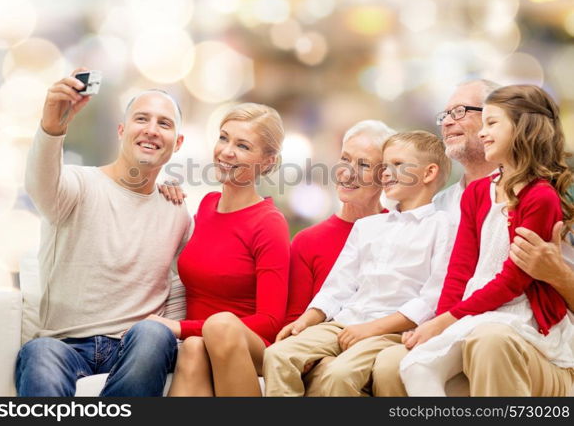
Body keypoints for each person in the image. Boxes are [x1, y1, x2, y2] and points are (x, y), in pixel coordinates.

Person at [374, 80, 574, 397]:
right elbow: (459, 271)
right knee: (396, 365)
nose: (448, 120)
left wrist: (559, 274)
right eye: (445, 113)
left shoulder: (550, 196)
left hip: (516, 321)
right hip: (467, 314)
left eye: (462, 111)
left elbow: (513, 280)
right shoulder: (452, 201)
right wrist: (439, 323)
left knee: (489, 342)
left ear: (521, 128)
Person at [16, 70, 192, 396]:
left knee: (155, 335)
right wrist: (53, 126)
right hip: (63, 345)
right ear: (122, 131)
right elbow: (40, 185)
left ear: (177, 143)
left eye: (164, 124)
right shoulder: (78, 185)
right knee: (39, 354)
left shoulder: (176, 210)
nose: (152, 130)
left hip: (135, 347)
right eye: (142, 119)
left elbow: (179, 288)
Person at [262, 131, 454, 396]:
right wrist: (307, 319)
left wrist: (370, 329)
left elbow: (431, 299)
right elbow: (338, 286)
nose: (386, 173)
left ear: (429, 173)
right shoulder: (367, 227)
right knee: (277, 356)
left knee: (339, 375)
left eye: (397, 165)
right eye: (384, 166)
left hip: (390, 331)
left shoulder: (444, 227)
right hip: (344, 322)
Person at [153, 103, 290, 396]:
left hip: (244, 343)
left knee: (217, 328)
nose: (226, 151)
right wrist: (158, 191)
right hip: (197, 343)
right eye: (224, 138)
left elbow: (269, 322)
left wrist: (180, 328)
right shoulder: (206, 205)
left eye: (242, 145)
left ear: (267, 162)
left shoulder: (269, 222)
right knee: (193, 349)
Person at [284, 120, 396, 325]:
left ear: (385, 175)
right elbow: (293, 322)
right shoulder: (307, 242)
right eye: (345, 159)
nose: (347, 172)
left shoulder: (401, 233)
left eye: (364, 164)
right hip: (317, 350)